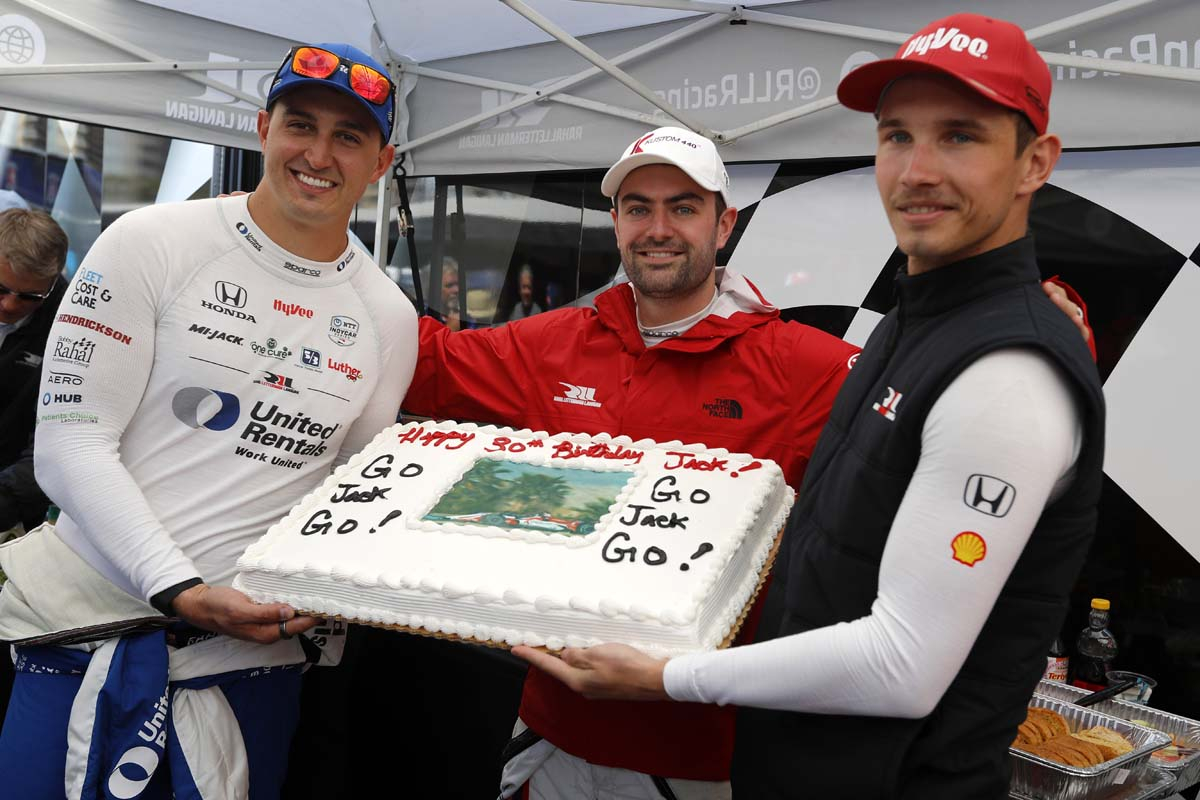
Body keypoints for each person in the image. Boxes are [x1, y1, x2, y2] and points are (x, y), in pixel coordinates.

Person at [403, 118, 1092, 797]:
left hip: (698, 755)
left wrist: (1027, 326)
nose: (658, 228)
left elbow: (939, 402)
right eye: (638, 208)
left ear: (723, 226)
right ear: (615, 223)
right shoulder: (554, 343)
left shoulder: (798, 363)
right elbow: (417, 361)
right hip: (552, 730)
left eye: (683, 208)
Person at [0, 42, 416, 798]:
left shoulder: (389, 315)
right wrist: (179, 588)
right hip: (84, 638)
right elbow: (69, 443)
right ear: (263, 129)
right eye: (300, 124)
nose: (318, 154)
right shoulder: (149, 241)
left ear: (381, 162)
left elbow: (346, 492)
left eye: (349, 136)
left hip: (250, 666)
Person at [0, 208, 68, 539]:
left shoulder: (70, 327)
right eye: (0, 289)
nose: (10, 305)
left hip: (15, 507)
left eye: (30, 297)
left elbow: (57, 443)